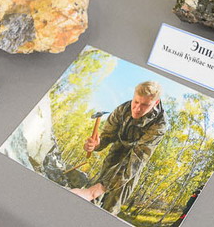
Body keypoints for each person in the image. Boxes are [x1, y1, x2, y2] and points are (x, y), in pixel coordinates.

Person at [70, 81, 167, 214]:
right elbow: (107, 136)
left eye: (145, 105)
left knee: (112, 202)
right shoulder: (122, 110)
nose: (137, 109)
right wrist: (96, 145)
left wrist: (93, 191)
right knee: (95, 191)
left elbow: (137, 159)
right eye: (136, 102)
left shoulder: (159, 125)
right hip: (117, 150)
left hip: (134, 160)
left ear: (156, 103)